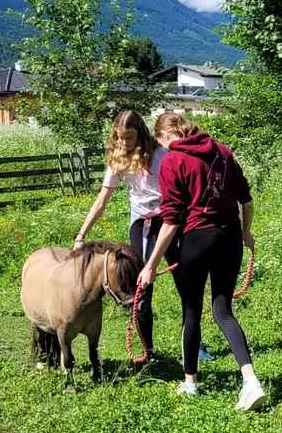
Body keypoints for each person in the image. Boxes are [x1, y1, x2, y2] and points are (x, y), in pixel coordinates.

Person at [137, 111, 264, 412]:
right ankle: (250, 379)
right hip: (230, 237)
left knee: (191, 310)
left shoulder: (172, 160)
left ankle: (190, 383)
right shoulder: (223, 150)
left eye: (161, 142)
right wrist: (245, 233)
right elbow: (246, 200)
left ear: (165, 137)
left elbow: (170, 220)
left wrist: (150, 264)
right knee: (223, 311)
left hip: (198, 240)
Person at [72, 110, 209, 365]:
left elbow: (184, 189)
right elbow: (102, 201)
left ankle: (195, 343)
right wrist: (81, 234)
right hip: (142, 224)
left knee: (186, 283)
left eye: (130, 137)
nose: (125, 142)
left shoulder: (160, 154)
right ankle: (148, 352)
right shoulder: (118, 159)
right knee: (141, 287)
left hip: (171, 219)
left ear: (141, 133)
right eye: (120, 137)